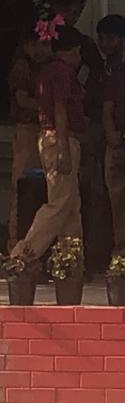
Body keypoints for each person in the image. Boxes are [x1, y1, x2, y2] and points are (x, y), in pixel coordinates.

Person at [9, 27, 86, 262]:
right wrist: (63, 148)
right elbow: (59, 109)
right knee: (59, 204)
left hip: (55, 137)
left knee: (70, 206)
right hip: (60, 138)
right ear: (73, 51)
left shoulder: (46, 71)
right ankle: (22, 257)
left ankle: (70, 262)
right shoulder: (61, 71)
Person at [95, 14, 125, 256]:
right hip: (117, 140)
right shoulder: (112, 70)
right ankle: (122, 252)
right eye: (101, 39)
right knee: (117, 199)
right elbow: (107, 105)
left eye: (109, 38)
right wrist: (110, 132)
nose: (104, 44)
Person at [6, 30, 50, 250]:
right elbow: (22, 100)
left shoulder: (50, 67)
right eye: (33, 45)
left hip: (46, 130)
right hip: (27, 130)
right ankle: (16, 243)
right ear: (25, 46)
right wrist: (49, 107)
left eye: (43, 45)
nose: (38, 50)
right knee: (22, 184)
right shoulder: (22, 67)